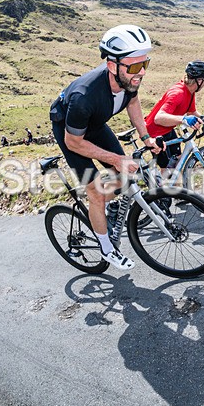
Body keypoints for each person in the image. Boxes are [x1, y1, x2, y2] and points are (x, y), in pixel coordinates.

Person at [49, 24, 162, 270]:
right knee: (97, 191)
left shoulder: (130, 76)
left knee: (123, 176)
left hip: (96, 124)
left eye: (145, 64)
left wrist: (146, 138)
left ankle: (101, 206)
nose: (141, 72)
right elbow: (73, 142)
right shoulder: (84, 96)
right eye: (134, 66)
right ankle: (107, 248)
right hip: (71, 133)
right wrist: (116, 159)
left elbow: (133, 103)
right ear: (112, 65)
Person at [144, 60, 204, 173]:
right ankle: (162, 189)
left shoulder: (190, 91)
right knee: (167, 170)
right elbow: (159, 118)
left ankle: (173, 187)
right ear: (199, 80)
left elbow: (191, 111)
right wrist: (183, 119)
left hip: (168, 128)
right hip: (156, 132)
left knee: (177, 162)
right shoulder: (178, 93)